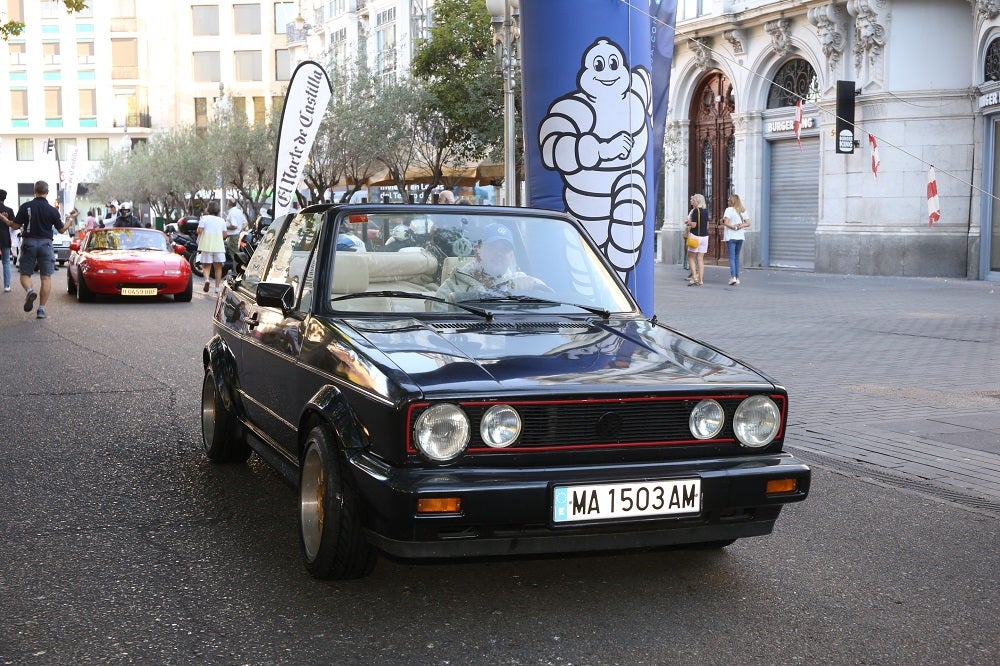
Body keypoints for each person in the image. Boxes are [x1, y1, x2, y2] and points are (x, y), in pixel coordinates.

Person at [0, 180, 71, 319]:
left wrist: (3, 219)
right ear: (47, 192)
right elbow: (61, 229)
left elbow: (14, 226)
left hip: (29, 243)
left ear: (34, 191)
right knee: (46, 277)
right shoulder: (52, 210)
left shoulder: (26, 206)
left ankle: (30, 291)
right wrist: (70, 220)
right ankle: (41, 309)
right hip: (46, 244)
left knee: (25, 274)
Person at [436, 224, 547, 302]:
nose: (499, 253)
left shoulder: (520, 282)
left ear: (511, 255)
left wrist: (534, 282)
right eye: (492, 246)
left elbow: (551, 302)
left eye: (505, 249)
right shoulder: (450, 289)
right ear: (477, 250)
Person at [196, 200, 227, 295]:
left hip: (206, 245)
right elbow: (225, 234)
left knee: (206, 266)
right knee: (218, 267)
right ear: (217, 210)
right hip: (218, 246)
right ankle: (217, 288)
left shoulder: (204, 218)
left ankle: (207, 280)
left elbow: (199, 231)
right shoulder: (221, 220)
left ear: (208, 209)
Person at [722, 194, 750, 286]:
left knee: (731, 257)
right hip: (740, 237)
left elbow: (726, 222)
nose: (728, 202)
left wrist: (733, 227)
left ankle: (733, 277)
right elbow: (748, 223)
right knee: (736, 257)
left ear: (732, 201)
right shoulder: (743, 210)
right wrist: (740, 226)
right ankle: (737, 278)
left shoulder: (729, 210)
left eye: (729, 200)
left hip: (731, 236)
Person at [685, 193, 710, 287]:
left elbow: (694, 225)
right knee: (700, 259)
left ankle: (694, 277)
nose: (692, 202)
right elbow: (707, 225)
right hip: (705, 237)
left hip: (695, 236)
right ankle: (701, 280)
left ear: (697, 201)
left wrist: (688, 223)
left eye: (693, 201)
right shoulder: (705, 211)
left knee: (691, 258)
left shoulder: (696, 211)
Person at [0, 189, 14, 293]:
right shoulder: (9, 210)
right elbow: (14, 225)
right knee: (6, 262)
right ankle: (7, 285)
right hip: (4, 237)